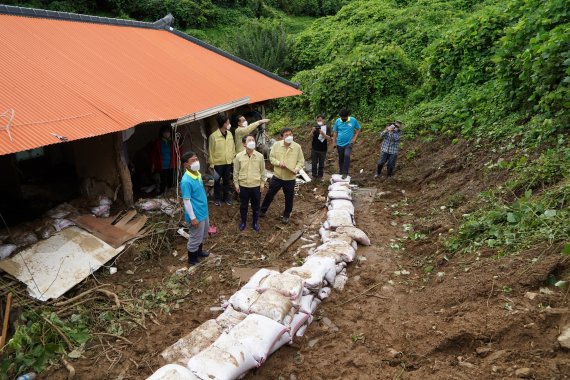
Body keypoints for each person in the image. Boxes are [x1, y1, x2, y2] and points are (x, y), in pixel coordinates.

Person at [260, 128, 305, 224]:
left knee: (289, 197)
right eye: (286, 135)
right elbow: (271, 158)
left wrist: (296, 168)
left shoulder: (297, 147)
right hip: (278, 176)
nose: (289, 137)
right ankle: (262, 210)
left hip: (290, 178)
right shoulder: (276, 145)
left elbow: (301, 161)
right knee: (270, 194)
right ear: (282, 137)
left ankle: (286, 215)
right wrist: (278, 163)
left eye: (291, 134)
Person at [180, 151, 210, 266]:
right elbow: (186, 201)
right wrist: (193, 218)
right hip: (196, 214)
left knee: (202, 234)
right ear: (186, 165)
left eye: (196, 159)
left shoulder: (196, 173)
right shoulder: (186, 181)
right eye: (193, 160)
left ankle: (199, 252)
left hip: (203, 211)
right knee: (195, 237)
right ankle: (192, 259)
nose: (196, 162)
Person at [233, 135, 266, 232]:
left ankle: (255, 222)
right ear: (244, 144)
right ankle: (243, 222)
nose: (252, 141)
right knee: (243, 205)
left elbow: (263, 171)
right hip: (243, 186)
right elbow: (236, 172)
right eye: (249, 140)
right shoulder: (238, 156)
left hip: (256, 186)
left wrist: (262, 183)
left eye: (253, 140)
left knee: (256, 206)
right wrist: (236, 184)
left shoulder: (260, 156)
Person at [208, 114, 236, 206]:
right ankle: (217, 199)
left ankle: (226, 198)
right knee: (217, 181)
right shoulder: (213, 136)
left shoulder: (230, 134)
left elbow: (233, 147)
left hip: (228, 162)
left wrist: (233, 157)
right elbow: (211, 151)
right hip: (217, 164)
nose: (229, 124)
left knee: (226, 181)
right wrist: (212, 164)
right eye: (228, 122)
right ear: (224, 124)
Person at [332, 108, 361, 179]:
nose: (343, 118)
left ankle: (345, 172)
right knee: (341, 158)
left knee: (347, 155)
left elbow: (358, 128)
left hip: (349, 143)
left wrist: (354, 138)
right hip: (339, 143)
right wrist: (334, 142)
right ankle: (341, 172)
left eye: (344, 117)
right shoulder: (338, 121)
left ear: (347, 116)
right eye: (341, 117)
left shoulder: (353, 120)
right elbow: (335, 132)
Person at [151, 125, 178, 194]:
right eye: (165, 132)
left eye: (168, 132)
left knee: (171, 181)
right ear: (162, 133)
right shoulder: (158, 142)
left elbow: (178, 152)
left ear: (170, 133)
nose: (166, 134)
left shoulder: (173, 142)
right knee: (163, 181)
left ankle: (170, 195)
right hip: (162, 165)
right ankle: (162, 194)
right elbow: (154, 154)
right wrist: (153, 165)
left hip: (171, 165)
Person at [311, 115, 330, 180]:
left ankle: (320, 176)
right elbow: (310, 136)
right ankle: (314, 175)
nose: (319, 121)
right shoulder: (315, 127)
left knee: (321, 164)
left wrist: (323, 134)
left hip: (323, 149)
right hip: (314, 148)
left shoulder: (327, 128)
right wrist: (312, 131)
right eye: (318, 120)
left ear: (324, 120)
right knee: (314, 163)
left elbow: (329, 137)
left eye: (320, 120)